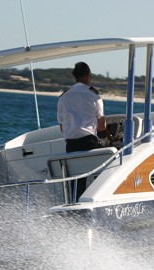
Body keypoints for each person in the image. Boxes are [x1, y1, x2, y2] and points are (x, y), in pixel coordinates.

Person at [57, 61, 107, 199]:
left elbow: (62, 127)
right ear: (87, 76)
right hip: (89, 143)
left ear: (75, 76)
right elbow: (102, 127)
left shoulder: (63, 97)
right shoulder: (94, 95)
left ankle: (75, 203)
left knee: (76, 182)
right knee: (103, 171)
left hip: (71, 145)